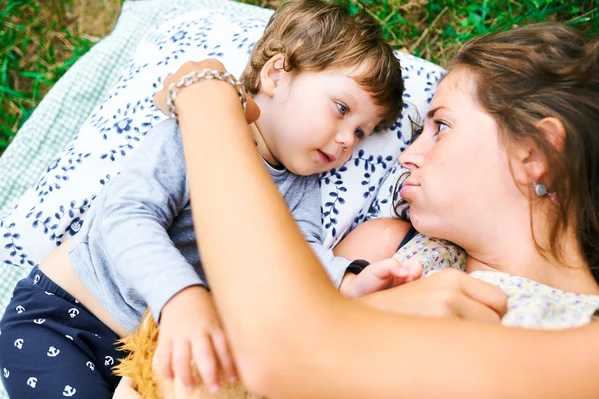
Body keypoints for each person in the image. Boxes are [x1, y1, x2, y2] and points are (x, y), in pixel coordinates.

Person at [149, 22, 599, 397]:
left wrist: (206, 102)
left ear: (535, 154)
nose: (407, 156)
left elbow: (290, 348)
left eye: (441, 126)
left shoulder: (581, 348)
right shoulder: (390, 249)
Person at [0, 1, 407, 397]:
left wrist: (348, 284)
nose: (345, 141)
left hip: (157, 359)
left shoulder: (302, 187)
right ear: (276, 75)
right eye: (341, 109)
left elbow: (294, 257)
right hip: (62, 321)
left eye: (360, 133)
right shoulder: (197, 130)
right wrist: (179, 297)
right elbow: (126, 216)